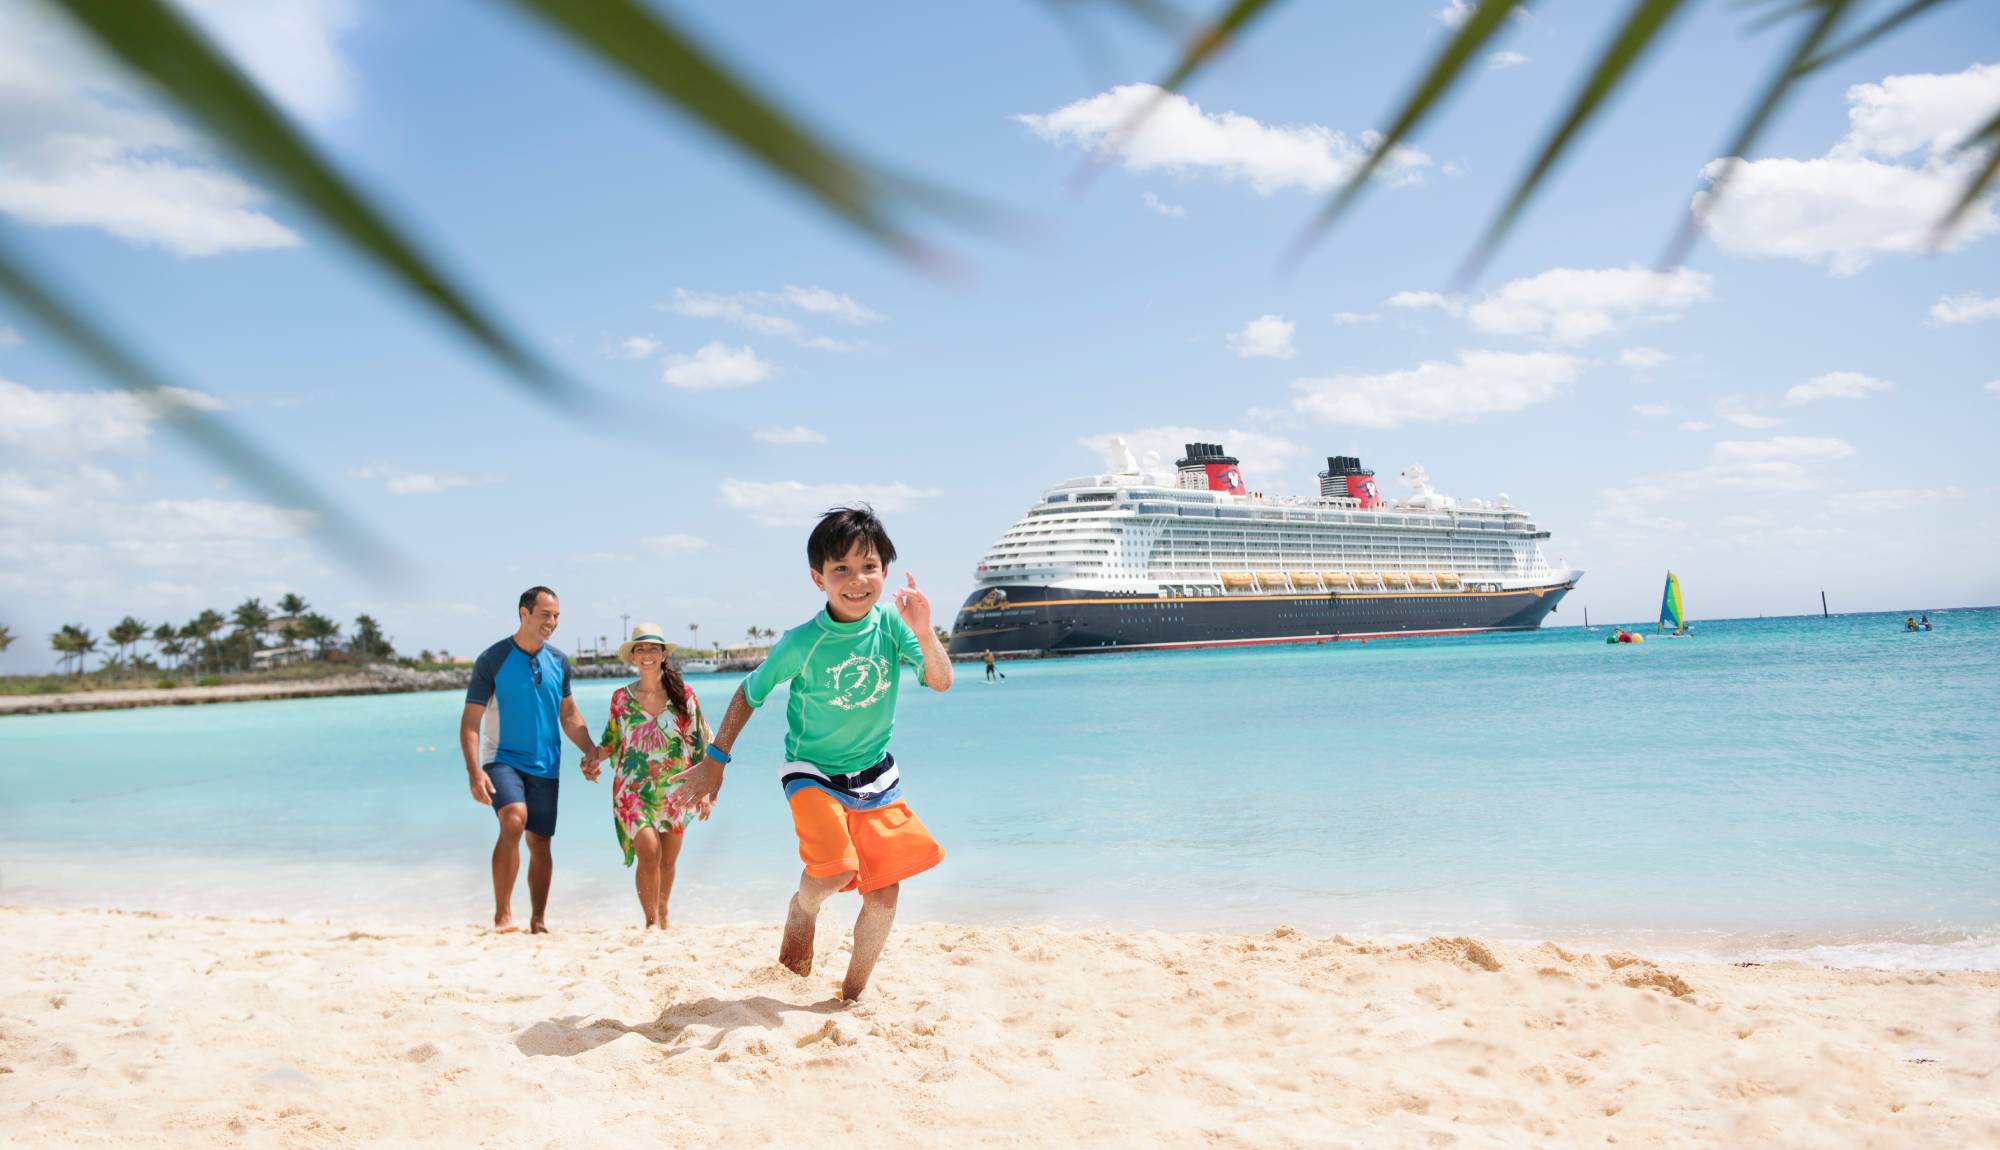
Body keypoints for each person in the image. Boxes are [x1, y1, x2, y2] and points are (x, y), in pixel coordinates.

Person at [676, 505, 952, 1002]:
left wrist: (924, 630)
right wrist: (716, 761)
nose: (856, 580)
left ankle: (851, 993)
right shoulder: (801, 642)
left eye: (867, 567)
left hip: (876, 776)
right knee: (837, 870)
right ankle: (803, 909)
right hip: (812, 773)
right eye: (839, 569)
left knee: (885, 893)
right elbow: (749, 694)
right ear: (817, 578)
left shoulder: (892, 625)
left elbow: (939, 681)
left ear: (884, 572)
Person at [459, 586, 602, 934]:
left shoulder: (558, 662)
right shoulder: (493, 659)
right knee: (513, 819)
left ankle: (538, 920)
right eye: (545, 615)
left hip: (546, 765)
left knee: (540, 842)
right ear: (524, 613)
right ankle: (503, 916)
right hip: (501, 758)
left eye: (555, 616)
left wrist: (591, 750)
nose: (551, 622)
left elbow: (568, 715)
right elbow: (470, 722)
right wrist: (474, 770)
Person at [597, 623, 712, 928]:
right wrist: (591, 759)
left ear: (662, 655)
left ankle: (662, 908)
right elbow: (610, 740)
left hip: (674, 788)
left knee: (668, 860)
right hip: (632, 789)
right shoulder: (620, 698)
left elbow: (700, 741)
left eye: (653, 649)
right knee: (649, 852)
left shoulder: (684, 695)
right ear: (633, 657)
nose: (646, 654)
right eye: (641, 649)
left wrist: (706, 792)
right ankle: (650, 923)